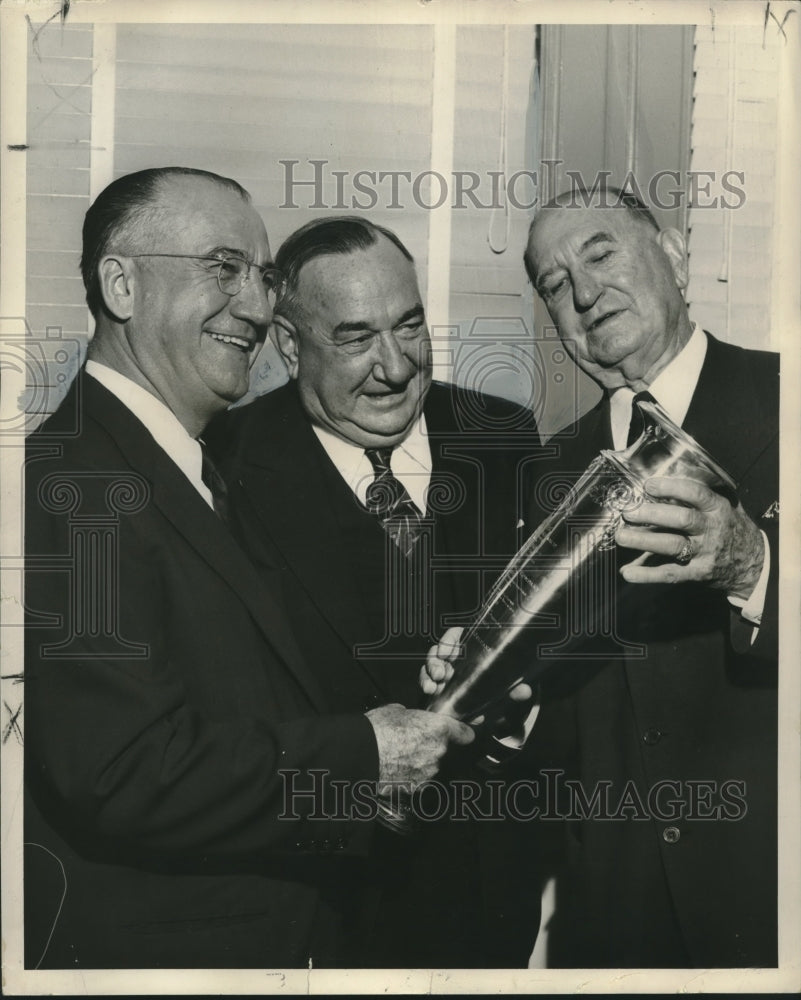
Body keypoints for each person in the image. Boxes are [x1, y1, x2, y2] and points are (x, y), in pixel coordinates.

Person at [23, 168, 476, 970]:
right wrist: (364, 758)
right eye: (222, 268)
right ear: (120, 284)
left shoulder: (184, 468)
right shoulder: (80, 484)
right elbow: (119, 769)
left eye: (262, 278)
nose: (261, 308)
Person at [207, 216, 547, 966]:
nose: (395, 367)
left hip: (499, 895)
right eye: (356, 338)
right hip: (330, 908)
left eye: (410, 326)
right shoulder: (223, 466)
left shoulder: (503, 434)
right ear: (290, 346)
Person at [519, 185, 779, 967]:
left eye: (599, 254)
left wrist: (754, 565)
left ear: (672, 254)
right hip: (609, 922)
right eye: (555, 285)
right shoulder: (546, 472)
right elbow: (560, 726)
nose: (584, 293)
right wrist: (502, 693)